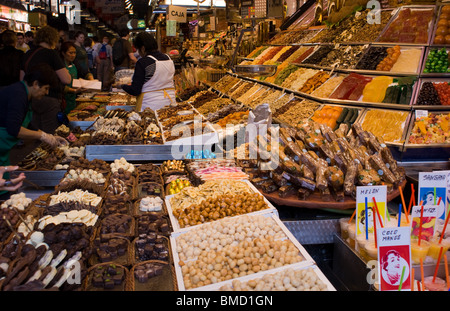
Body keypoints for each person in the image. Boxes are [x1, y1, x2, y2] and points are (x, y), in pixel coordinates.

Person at [0, 64, 68, 198]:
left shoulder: (24, 93)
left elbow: (26, 123)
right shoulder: (18, 94)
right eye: (46, 88)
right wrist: (41, 136)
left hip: (3, 152)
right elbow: (14, 129)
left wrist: (48, 135)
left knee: (5, 184)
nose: (47, 93)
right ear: (36, 84)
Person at [20, 25, 72, 134]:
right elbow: (66, 79)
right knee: (51, 134)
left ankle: (38, 151)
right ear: (53, 38)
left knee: (37, 134)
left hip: (32, 99)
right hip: (50, 98)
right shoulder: (51, 54)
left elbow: (22, 79)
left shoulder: (28, 54)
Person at [121, 32, 175, 112]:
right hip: (170, 103)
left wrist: (122, 86)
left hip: (150, 107)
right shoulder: (168, 58)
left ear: (143, 48)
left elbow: (135, 90)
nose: (138, 53)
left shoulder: (143, 62)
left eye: (138, 50)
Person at [60, 41, 93, 114]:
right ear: (63, 53)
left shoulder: (75, 63)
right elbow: (58, 85)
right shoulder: (60, 66)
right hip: (63, 99)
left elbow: (85, 72)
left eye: (74, 53)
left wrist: (91, 79)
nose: (73, 55)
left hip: (74, 98)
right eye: (70, 53)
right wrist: (73, 90)